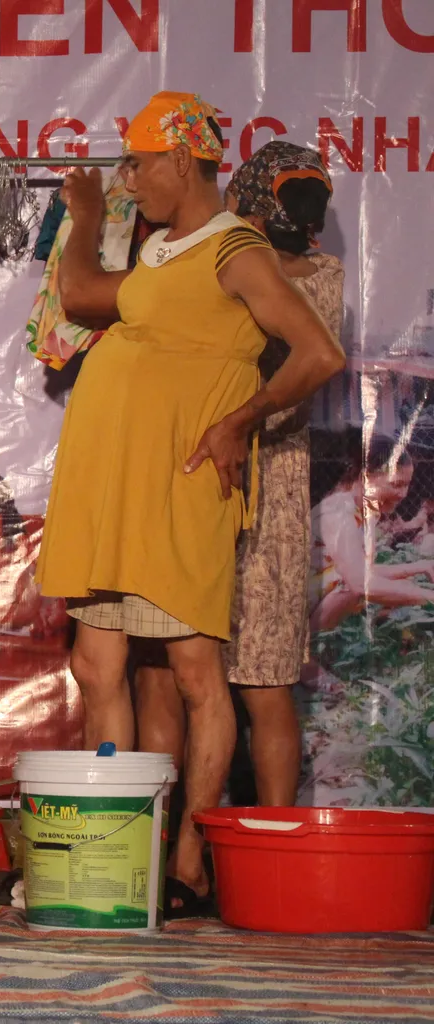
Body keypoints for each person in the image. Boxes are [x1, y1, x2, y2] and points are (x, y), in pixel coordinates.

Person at [36, 93, 345, 913]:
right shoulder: (163, 252)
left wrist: (240, 421)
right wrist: (88, 213)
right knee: (94, 665)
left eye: (137, 164)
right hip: (112, 484)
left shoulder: (235, 251)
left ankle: (189, 859)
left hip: (179, 485)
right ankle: (114, 858)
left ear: (181, 160)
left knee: (197, 672)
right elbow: (76, 296)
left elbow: (319, 352)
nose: (130, 180)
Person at [133, 142, 344, 808]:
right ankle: (237, 851)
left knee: (193, 675)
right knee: (245, 679)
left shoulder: (233, 269)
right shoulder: (320, 275)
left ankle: (169, 854)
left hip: (227, 469)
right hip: (246, 474)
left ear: (244, 204)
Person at [311, 441, 434, 633]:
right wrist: (429, 596)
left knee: (399, 588)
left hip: (315, 602)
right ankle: (311, 648)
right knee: (359, 587)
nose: (403, 494)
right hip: (295, 615)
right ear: (366, 477)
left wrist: (419, 567)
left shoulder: (362, 512)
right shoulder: (339, 512)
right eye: (396, 484)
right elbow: (359, 582)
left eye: (407, 485)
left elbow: (362, 571)